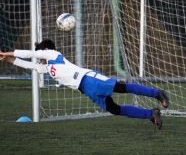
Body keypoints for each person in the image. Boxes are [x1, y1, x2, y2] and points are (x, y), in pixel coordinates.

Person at [0, 39, 169, 129]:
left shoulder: (54, 54)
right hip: (86, 89)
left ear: (45, 50)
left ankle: (157, 93)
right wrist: (9, 59)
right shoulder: (47, 68)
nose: (38, 55)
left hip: (89, 79)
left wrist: (10, 51)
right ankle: (151, 114)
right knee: (114, 109)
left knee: (121, 87)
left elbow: (30, 54)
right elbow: (29, 64)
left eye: (39, 52)